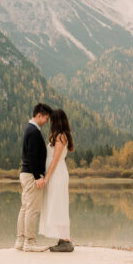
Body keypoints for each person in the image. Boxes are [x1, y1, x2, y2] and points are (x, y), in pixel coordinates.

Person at [15, 102, 53, 252]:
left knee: (25, 208)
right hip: (31, 175)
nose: (47, 122)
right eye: (46, 118)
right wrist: (38, 176)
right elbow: (32, 156)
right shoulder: (33, 131)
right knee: (32, 209)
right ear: (39, 115)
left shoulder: (30, 129)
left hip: (26, 174)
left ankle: (20, 240)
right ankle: (29, 242)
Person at [40, 108, 75, 253]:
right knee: (56, 204)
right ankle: (62, 239)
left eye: (52, 120)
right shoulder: (59, 135)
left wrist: (47, 177)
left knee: (58, 204)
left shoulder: (61, 136)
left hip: (57, 174)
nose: (50, 123)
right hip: (55, 173)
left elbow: (55, 159)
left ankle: (66, 241)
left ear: (56, 121)